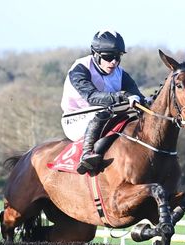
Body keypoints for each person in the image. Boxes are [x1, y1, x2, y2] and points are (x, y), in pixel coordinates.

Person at [60, 30, 145, 175]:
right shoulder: (80, 69)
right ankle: (87, 154)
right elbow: (91, 96)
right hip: (76, 119)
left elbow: (136, 95)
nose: (114, 62)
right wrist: (122, 96)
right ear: (95, 54)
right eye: (108, 57)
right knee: (101, 113)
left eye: (118, 57)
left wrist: (144, 100)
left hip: (108, 116)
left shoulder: (120, 73)